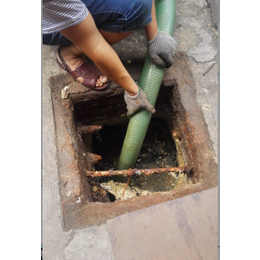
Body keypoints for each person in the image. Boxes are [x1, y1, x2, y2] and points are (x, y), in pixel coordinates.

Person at [42, 0, 176, 116]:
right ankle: (71, 53)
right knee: (134, 9)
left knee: (138, 6)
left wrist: (154, 36)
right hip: (49, 21)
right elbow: (94, 44)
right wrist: (133, 92)